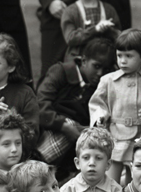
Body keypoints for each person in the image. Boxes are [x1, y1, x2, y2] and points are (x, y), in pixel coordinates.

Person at [35, 37, 115, 168]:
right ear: (83, 61)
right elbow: (40, 106)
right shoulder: (61, 72)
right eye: (96, 66)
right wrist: (64, 126)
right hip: (48, 131)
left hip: (80, 135)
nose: (100, 73)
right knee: (69, 126)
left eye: (106, 69)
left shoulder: (103, 84)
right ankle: (36, 165)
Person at [88, 29, 141, 183]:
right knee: (112, 177)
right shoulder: (108, 80)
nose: (123, 61)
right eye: (119, 56)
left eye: (129, 56)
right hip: (116, 135)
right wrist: (100, 116)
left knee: (137, 177)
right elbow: (97, 102)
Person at [61, 127, 122, 192]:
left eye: (98, 158)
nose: (92, 163)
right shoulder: (68, 191)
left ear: (108, 164)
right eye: (86, 158)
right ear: (77, 163)